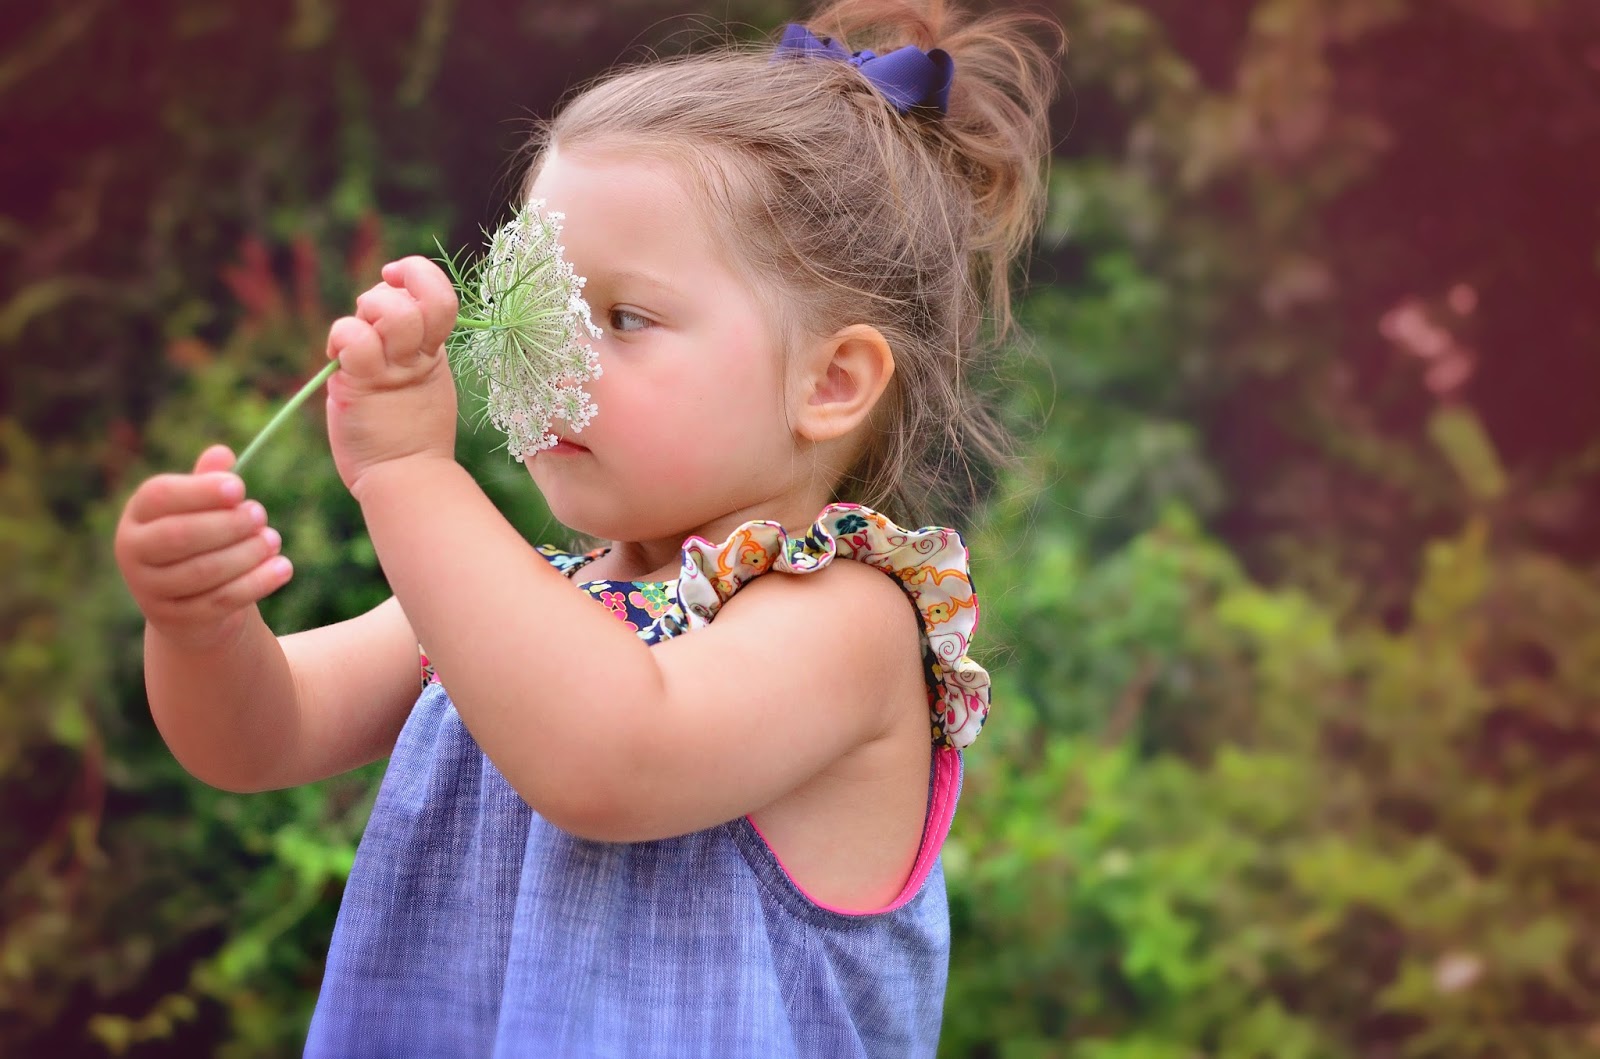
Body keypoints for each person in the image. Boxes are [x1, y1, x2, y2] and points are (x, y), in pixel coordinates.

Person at [112, 0, 1059, 1054]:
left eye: (624, 319)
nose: (556, 357)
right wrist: (200, 627)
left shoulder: (849, 623)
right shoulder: (518, 602)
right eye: (544, 304)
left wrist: (405, 473)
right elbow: (260, 734)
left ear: (830, 382)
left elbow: (612, 759)